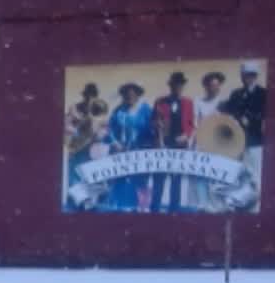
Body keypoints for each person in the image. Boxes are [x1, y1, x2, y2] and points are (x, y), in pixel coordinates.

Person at [150, 72, 195, 213]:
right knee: (159, 179)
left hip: (179, 146)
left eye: (180, 85)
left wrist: (186, 135)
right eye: (175, 84)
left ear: (183, 86)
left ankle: (173, 210)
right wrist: (156, 125)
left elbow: (191, 124)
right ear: (170, 86)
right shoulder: (160, 102)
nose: (178, 87)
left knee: (176, 180)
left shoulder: (188, 103)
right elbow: (152, 121)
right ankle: (155, 209)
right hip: (163, 145)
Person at [106, 83, 152, 211]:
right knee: (121, 177)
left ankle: (142, 206)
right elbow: (110, 130)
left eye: (133, 95)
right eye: (127, 95)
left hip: (140, 150)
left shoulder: (145, 110)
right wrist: (115, 143)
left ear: (138, 95)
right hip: (121, 150)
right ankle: (123, 206)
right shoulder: (118, 111)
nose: (130, 97)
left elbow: (152, 130)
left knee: (141, 178)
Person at [221, 61, 266, 192]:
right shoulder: (236, 94)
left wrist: (251, 120)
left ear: (255, 76)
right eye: (245, 75)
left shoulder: (263, 93)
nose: (248, 78)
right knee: (237, 173)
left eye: (251, 75)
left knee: (254, 173)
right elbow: (228, 111)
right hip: (236, 141)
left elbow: (265, 113)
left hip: (254, 140)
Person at [190, 71, 226, 211]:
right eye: (212, 85)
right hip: (201, 141)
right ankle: (202, 204)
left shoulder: (223, 102)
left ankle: (216, 205)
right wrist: (192, 142)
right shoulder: (198, 101)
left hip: (217, 142)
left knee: (215, 174)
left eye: (217, 85)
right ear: (206, 86)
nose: (215, 88)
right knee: (200, 174)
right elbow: (195, 123)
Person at [65, 83, 108, 190]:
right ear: (84, 95)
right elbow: (66, 126)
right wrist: (78, 130)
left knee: (91, 175)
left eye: (93, 95)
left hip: (93, 149)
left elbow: (104, 128)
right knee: (75, 175)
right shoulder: (75, 108)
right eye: (88, 95)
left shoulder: (100, 107)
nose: (90, 98)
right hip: (77, 148)